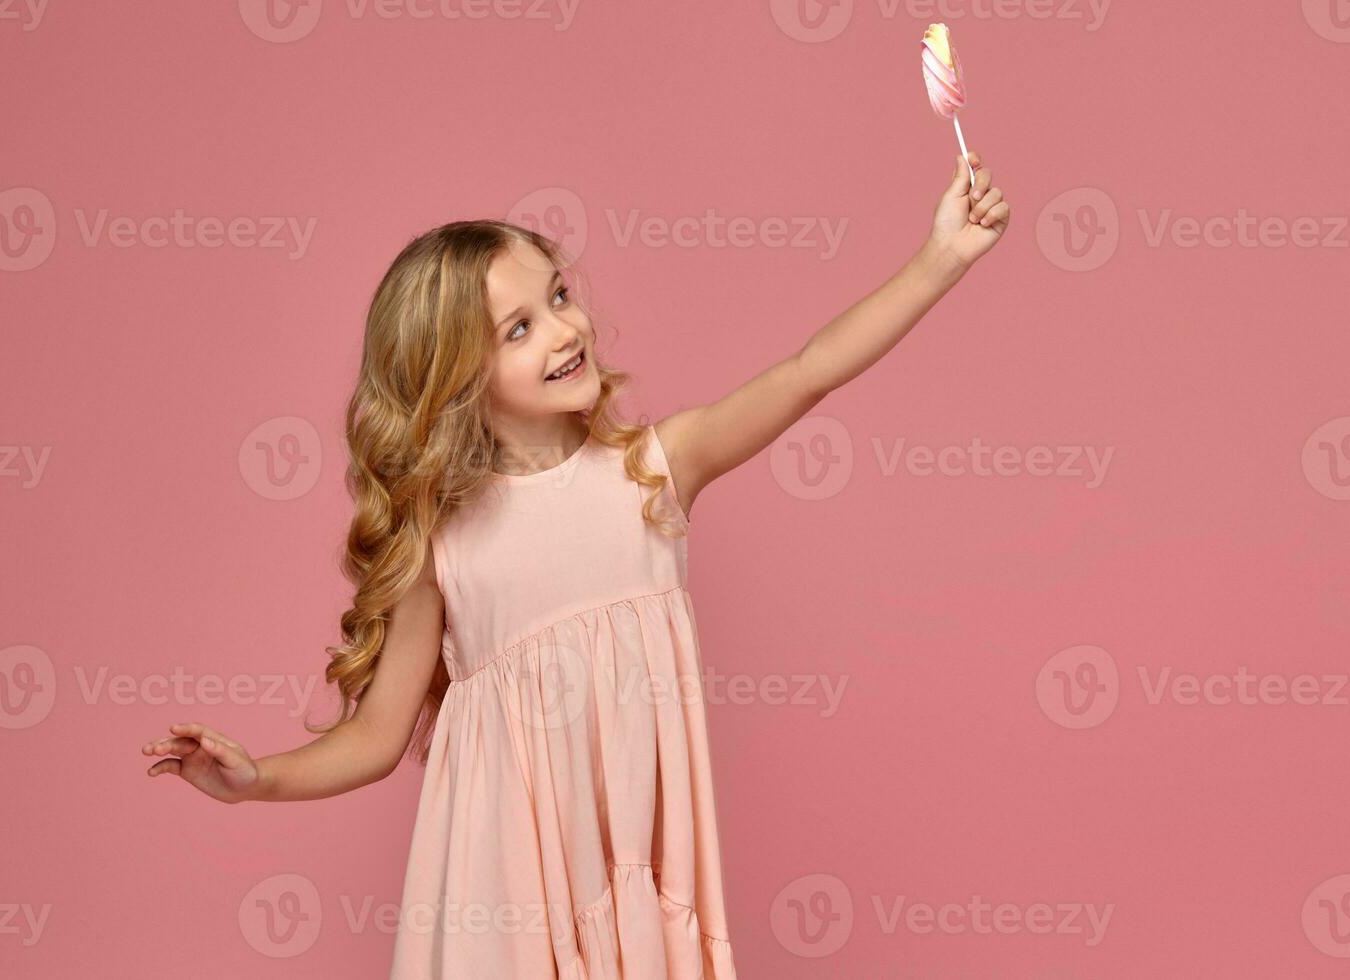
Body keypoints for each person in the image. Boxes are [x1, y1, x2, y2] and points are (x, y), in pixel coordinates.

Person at [140, 151, 1010, 978]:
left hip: (633, 877)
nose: (565, 330)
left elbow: (807, 373)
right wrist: (257, 781)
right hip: (504, 897)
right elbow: (374, 736)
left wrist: (941, 257)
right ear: (456, 379)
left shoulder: (654, 471)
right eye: (520, 328)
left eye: (558, 295)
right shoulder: (442, 547)